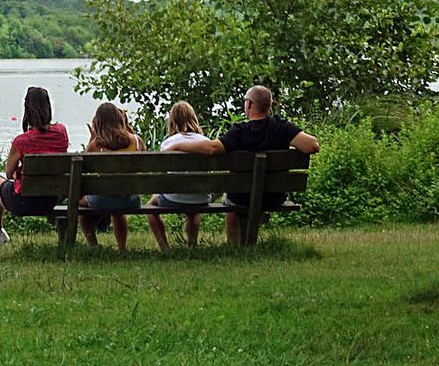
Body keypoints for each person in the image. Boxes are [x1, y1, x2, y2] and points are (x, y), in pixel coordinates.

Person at [167, 84, 318, 245]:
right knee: (239, 194)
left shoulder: (240, 131)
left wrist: (178, 145)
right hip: (275, 196)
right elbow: (312, 145)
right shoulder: (281, 127)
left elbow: (212, 148)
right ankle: (247, 243)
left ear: (249, 104)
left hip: (241, 197)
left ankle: (234, 246)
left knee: (230, 198)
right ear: (269, 106)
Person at [0, 86, 68, 261]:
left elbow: (9, 173)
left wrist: (18, 172)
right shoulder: (62, 132)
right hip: (50, 199)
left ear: (27, 110)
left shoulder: (22, 141)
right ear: (48, 107)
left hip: (24, 202)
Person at [78, 102, 143, 250]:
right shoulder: (136, 141)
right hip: (130, 200)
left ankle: (93, 245)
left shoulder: (95, 145)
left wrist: (92, 137)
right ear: (121, 119)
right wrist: (128, 129)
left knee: (80, 205)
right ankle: (122, 247)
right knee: (118, 211)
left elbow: (85, 167)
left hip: (102, 200)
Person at [147, 100, 210, 250]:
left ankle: (164, 247)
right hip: (200, 198)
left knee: (150, 205)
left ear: (172, 120)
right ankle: (192, 244)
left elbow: (162, 175)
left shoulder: (168, 143)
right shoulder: (206, 142)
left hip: (173, 199)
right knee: (193, 211)